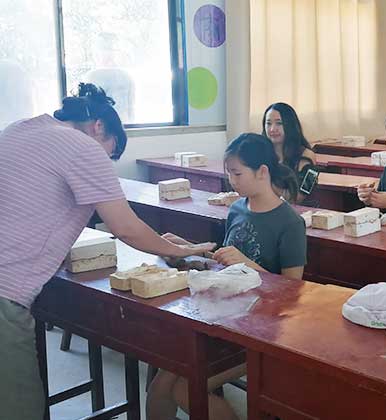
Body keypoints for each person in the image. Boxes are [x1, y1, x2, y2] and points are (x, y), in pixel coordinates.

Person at [0, 83, 215, 419]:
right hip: (4, 293)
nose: (107, 162)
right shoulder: (81, 147)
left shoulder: (18, 129)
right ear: (99, 127)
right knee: (19, 408)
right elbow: (125, 227)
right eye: (110, 152)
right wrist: (175, 249)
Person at [147, 133, 307, 420]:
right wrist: (186, 248)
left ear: (262, 172)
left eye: (237, 173)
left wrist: (249, 264)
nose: (231, 180)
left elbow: (293, 289)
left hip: (261, 330)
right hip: (221, 316)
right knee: (161, 381)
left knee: (185, 388)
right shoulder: (237, 208)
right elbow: (225, 260)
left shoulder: (289, 222)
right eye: (228, 173)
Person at [261, 102, 317, 202]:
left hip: (300, 212)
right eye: (268, 123)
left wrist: (265, 184)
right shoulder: (261, 152)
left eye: (279, 123)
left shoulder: (308, 156)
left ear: (290, 125)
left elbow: (299, 197)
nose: (273, 129)